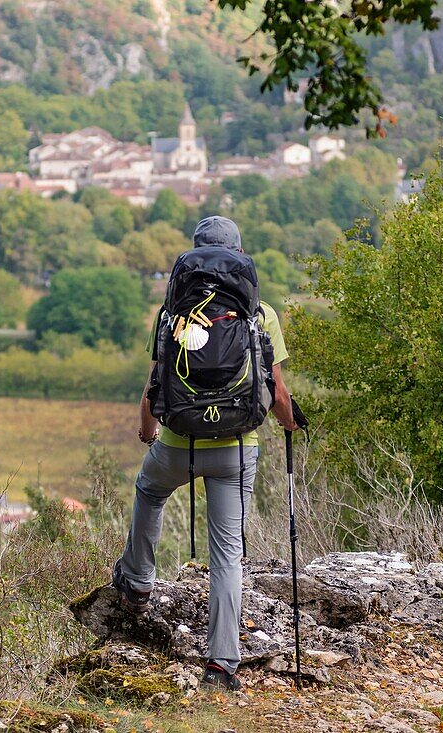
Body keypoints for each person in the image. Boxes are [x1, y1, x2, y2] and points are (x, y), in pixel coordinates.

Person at [112, 215, 298, 691]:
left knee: (150, 490)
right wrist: (292, 423)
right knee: (227, 555)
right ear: (238, 254)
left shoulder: (171, 313)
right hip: (237, 448)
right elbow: (275, 392)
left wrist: (147, 432)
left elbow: (155, 388)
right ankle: (221, 665)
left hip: (178, 444)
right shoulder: (261, 314)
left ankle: (137, 581)